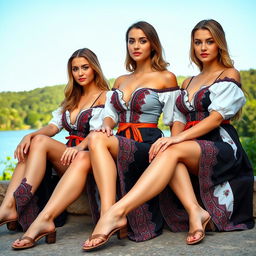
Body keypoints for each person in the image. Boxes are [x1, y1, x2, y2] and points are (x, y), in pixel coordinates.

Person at [83, 19, 254, 251]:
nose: (203, 47)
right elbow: (179, 120)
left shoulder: (228, 73)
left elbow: (215, 118)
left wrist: (176, 138)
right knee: (168, 149)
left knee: (171, 147)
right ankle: (196, 212)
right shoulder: (188, 81)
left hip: (220, 141)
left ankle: (116, 212)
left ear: (219, 45)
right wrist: (174, 137)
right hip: (192, 143)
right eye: (197, 42)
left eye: (209, 42)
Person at [84, 20, 183, 246]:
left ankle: (107, 218)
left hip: (147, 144)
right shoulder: (120, 80)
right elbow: (110, 114)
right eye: (131, 41)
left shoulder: (165, 77)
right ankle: (110, 216)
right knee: (98, 135)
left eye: (142, 41)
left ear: (152, 45)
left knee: (97, 138)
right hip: (121, 140)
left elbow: (175, 118)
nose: (135, 46)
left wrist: (173, 141)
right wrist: (108, 124)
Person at [0, 48, 109, 248]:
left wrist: (80, 147)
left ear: (94, 68)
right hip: (68, 159)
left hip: (92, 159)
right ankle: (8, 207)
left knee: (40, 143)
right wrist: (29, 135)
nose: (80, 73)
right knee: (33, 143)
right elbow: (52, 127)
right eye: (75, 69)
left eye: (85, 67)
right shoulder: (72, 99)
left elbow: (101, 132)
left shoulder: (106, 97)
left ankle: (20, 198)